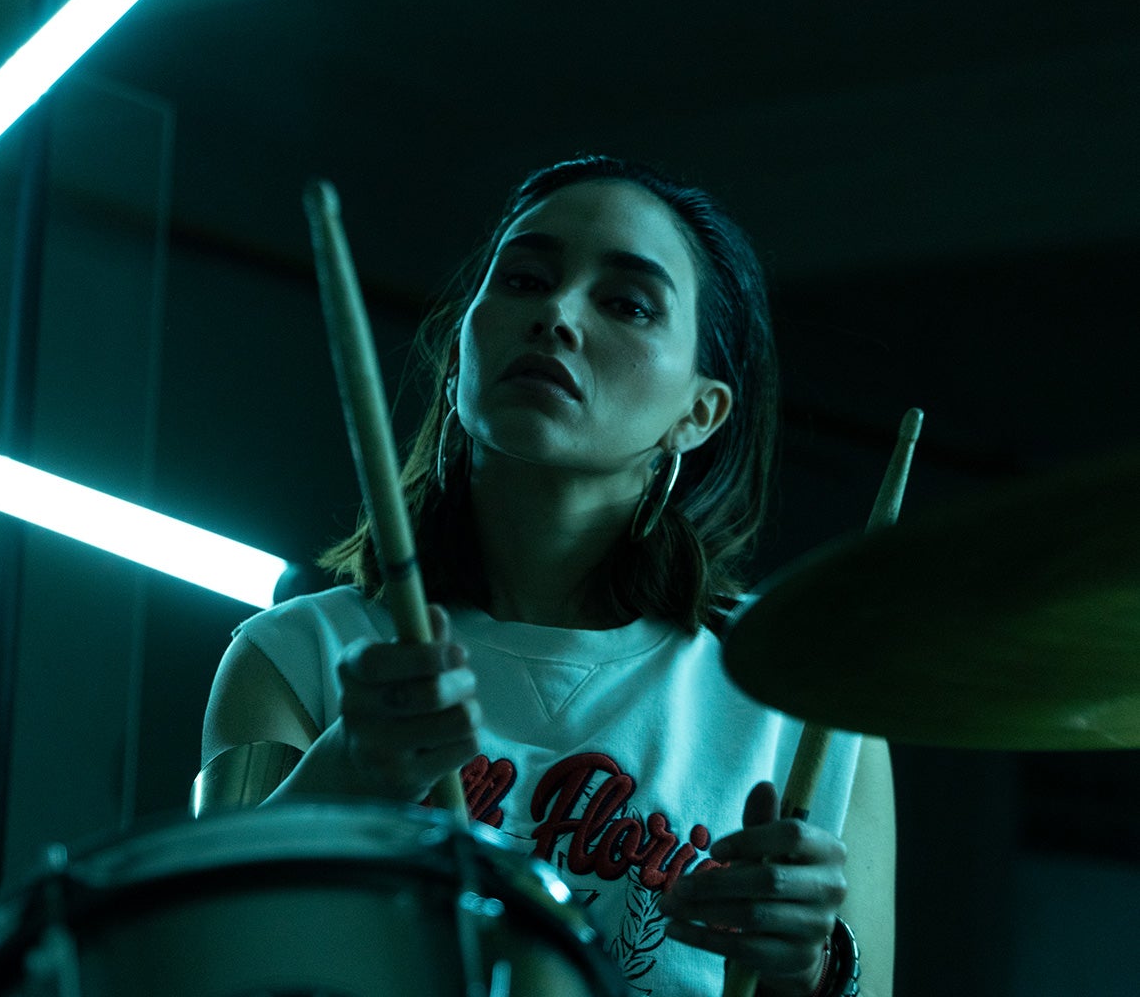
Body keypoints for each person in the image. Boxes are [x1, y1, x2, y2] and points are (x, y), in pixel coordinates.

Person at [197, 155, 896, 997]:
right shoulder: (297, 655)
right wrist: (345, 768)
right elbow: (202, 959)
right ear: (461, 347)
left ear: (698, 411)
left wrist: (813, 968)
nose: (556, 315)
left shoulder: (798, 698)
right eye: (525, 280)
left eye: (627, 303)